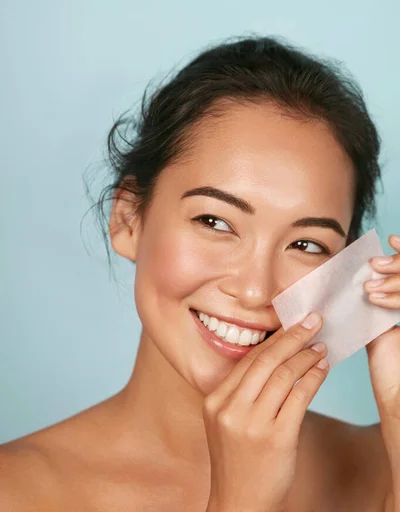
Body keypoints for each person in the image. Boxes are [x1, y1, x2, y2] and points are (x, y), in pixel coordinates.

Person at [1, 36, 399, 512]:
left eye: (306, 245)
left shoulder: (383, 468)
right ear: (128, 219)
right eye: (215, 222)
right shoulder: (17, 492)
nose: (254, 291)